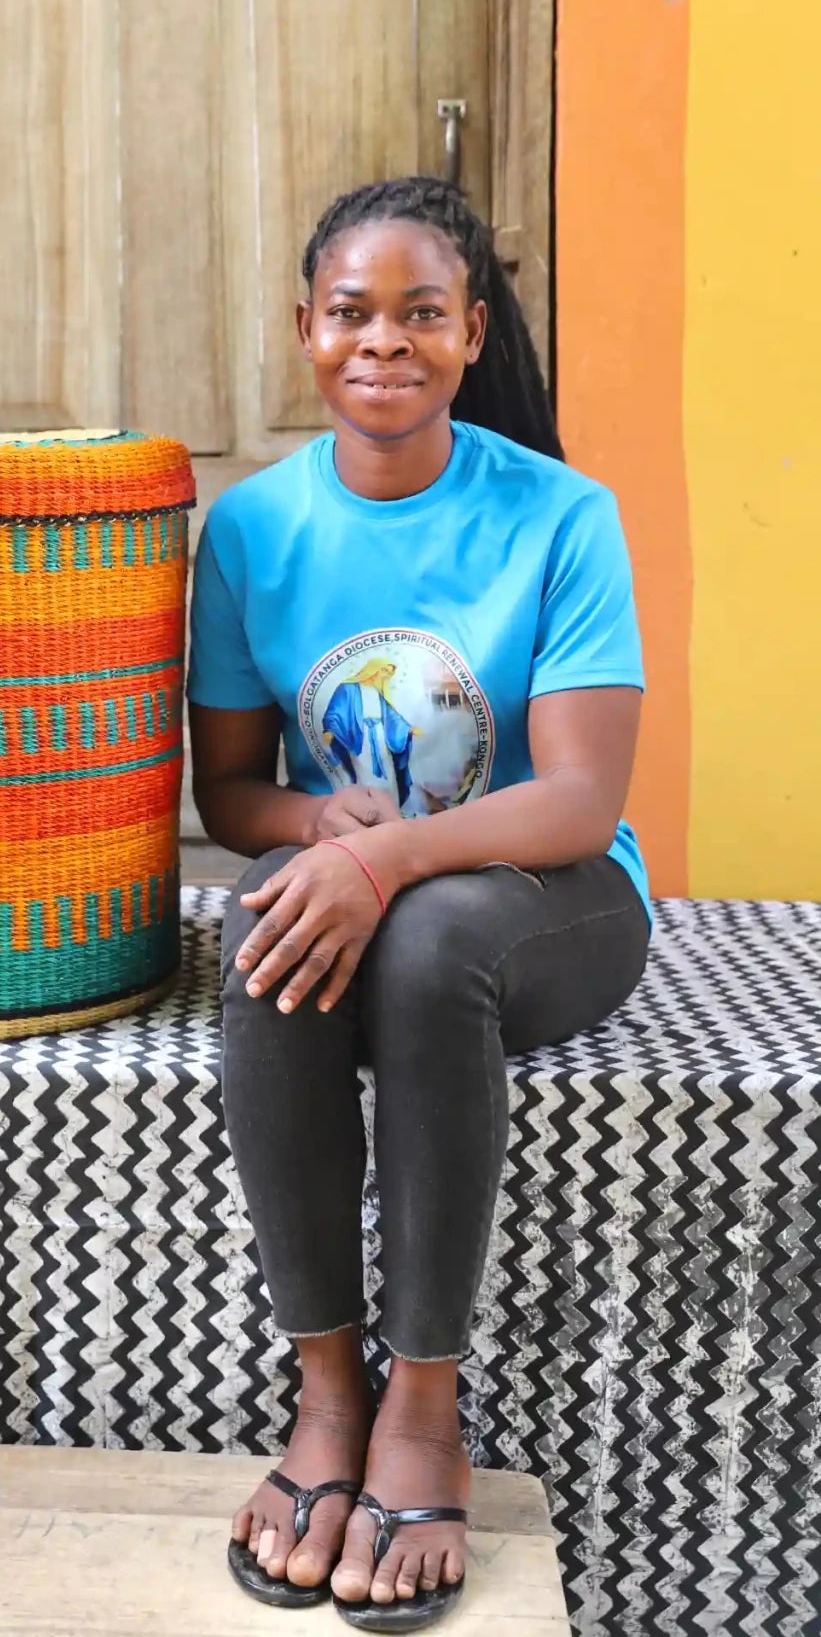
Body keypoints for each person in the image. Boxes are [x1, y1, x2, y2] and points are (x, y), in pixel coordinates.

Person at [188, 177, 650, 1629]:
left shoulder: (561, 517)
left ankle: (422, 1410)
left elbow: (580, 801)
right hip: (351, 889)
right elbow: (232, 800)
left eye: (420, 315)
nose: (380, 344)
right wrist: (319, 827)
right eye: (349, 314)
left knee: (432, 941)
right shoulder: (250, 529)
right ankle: (327, 1396)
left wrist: (382, 859)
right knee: (267, 914)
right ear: (303, 332)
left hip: (547, 902)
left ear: (469, 335)